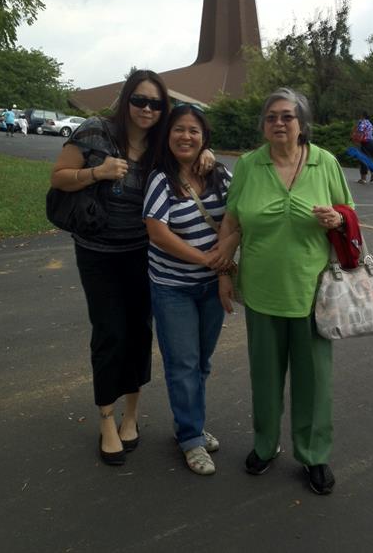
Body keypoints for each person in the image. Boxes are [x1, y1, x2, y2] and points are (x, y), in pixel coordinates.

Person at [50, 70, 216, 466]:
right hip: (98, 254)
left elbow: (188, 149)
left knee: (139, 333)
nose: (146, 109)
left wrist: (206, 153)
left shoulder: (160, 144)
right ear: (126, 100)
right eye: (139, 100)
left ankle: (131, 415)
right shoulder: (96, 131)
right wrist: (98, 172)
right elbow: (58, 178)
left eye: (155, 103)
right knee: (110, 333)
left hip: (143, 254)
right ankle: (106, 419)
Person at [218, 87, 354, 495]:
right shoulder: (249, 165)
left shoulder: (324, 162)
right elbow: (231, 222)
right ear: (263, 125)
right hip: (261, 292)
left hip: (313, 292)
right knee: (264, 377)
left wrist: (336, 220)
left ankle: (314, 454)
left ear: (302, 124)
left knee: (314, 381)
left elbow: (348, 213)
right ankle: (265, 444)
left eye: (287, 116)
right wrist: (224, 273)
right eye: (271, 117)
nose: (278, 123)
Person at [143, 104, 236, 476]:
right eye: (179, 129)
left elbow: (237, 217)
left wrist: (222, 267)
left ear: (204, 137)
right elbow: (157, 232)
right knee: (183, 364)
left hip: (211, 287)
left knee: (202, 362)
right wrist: (207, 260)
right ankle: (190, 437)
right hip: (173, 288)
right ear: (167, 135)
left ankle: (190, 422)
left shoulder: (219, 174)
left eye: (194, 131)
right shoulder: (160, 179)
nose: (186, 136)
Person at [353, 112, 373, 183]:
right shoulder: (370, 123)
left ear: (362, 116)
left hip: (366, 143)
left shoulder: (362, 123)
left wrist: (356, 142)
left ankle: (363, 179)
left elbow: (360, 132)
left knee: (363, 160)